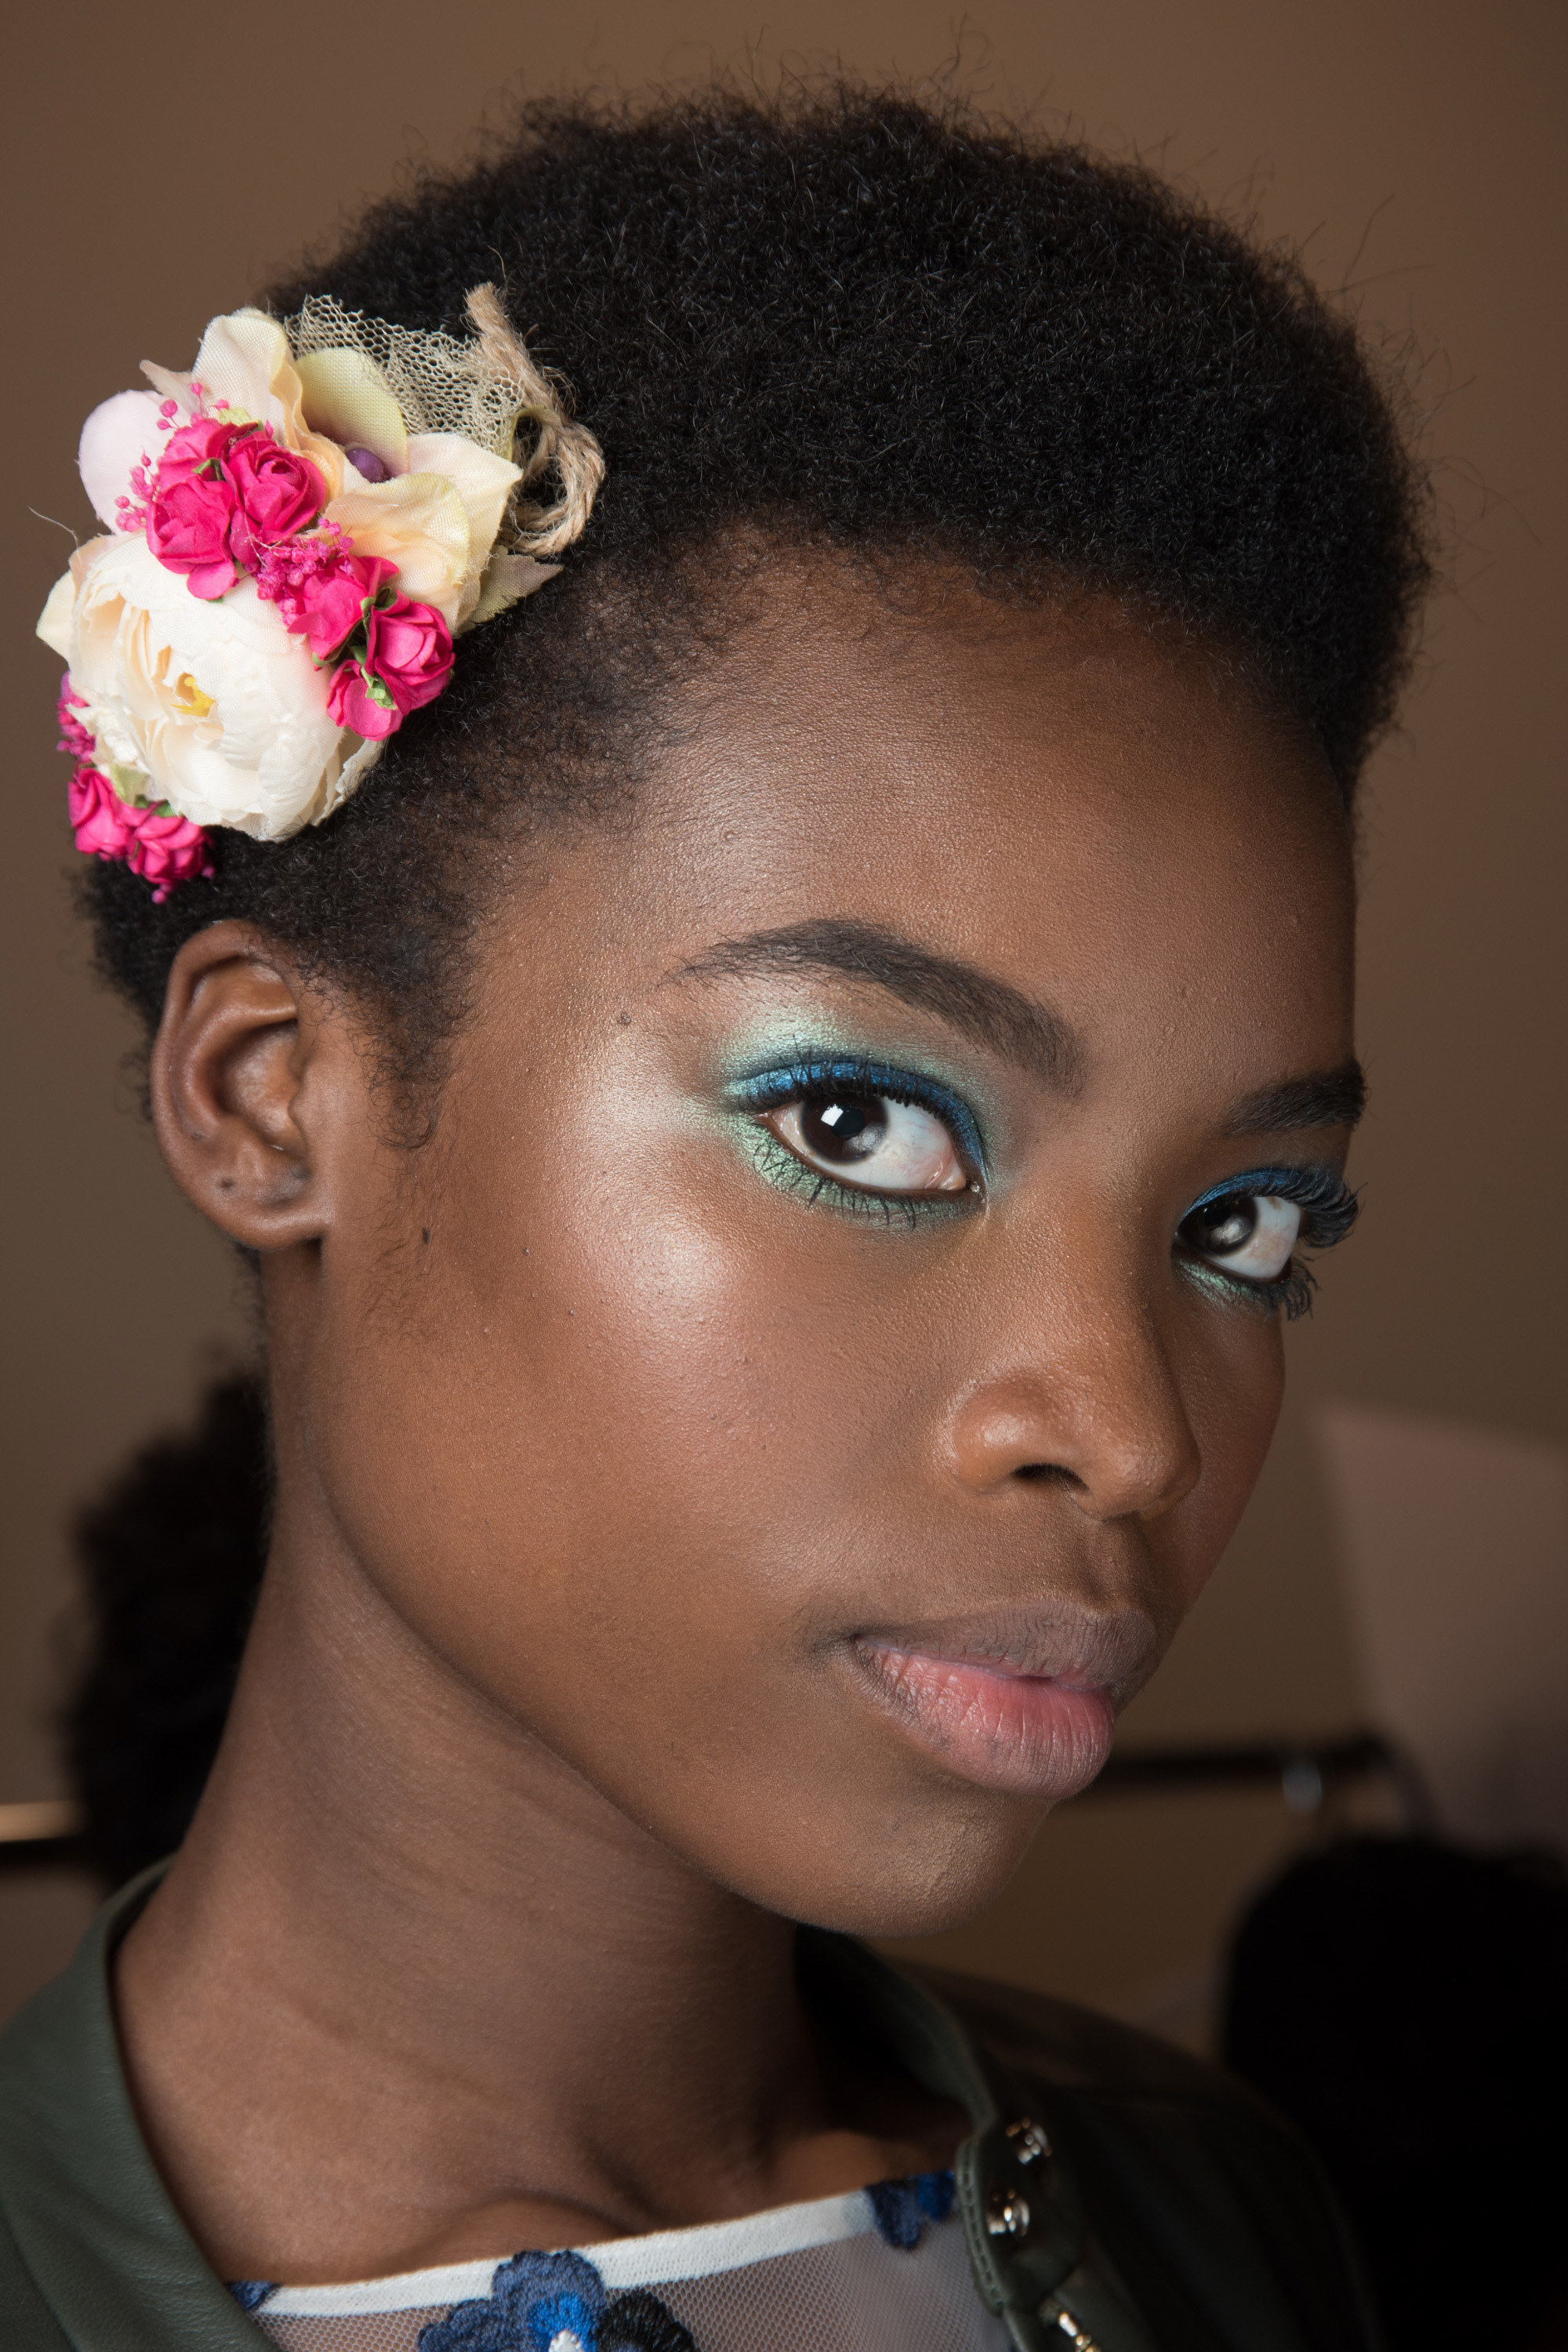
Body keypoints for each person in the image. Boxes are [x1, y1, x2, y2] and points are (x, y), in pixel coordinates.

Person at [0, 85, 1427, 2351]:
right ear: (277, 1098)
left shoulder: (1222, 2226)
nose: (1131, 1433)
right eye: (859, 1121)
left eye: (1243, 1225)